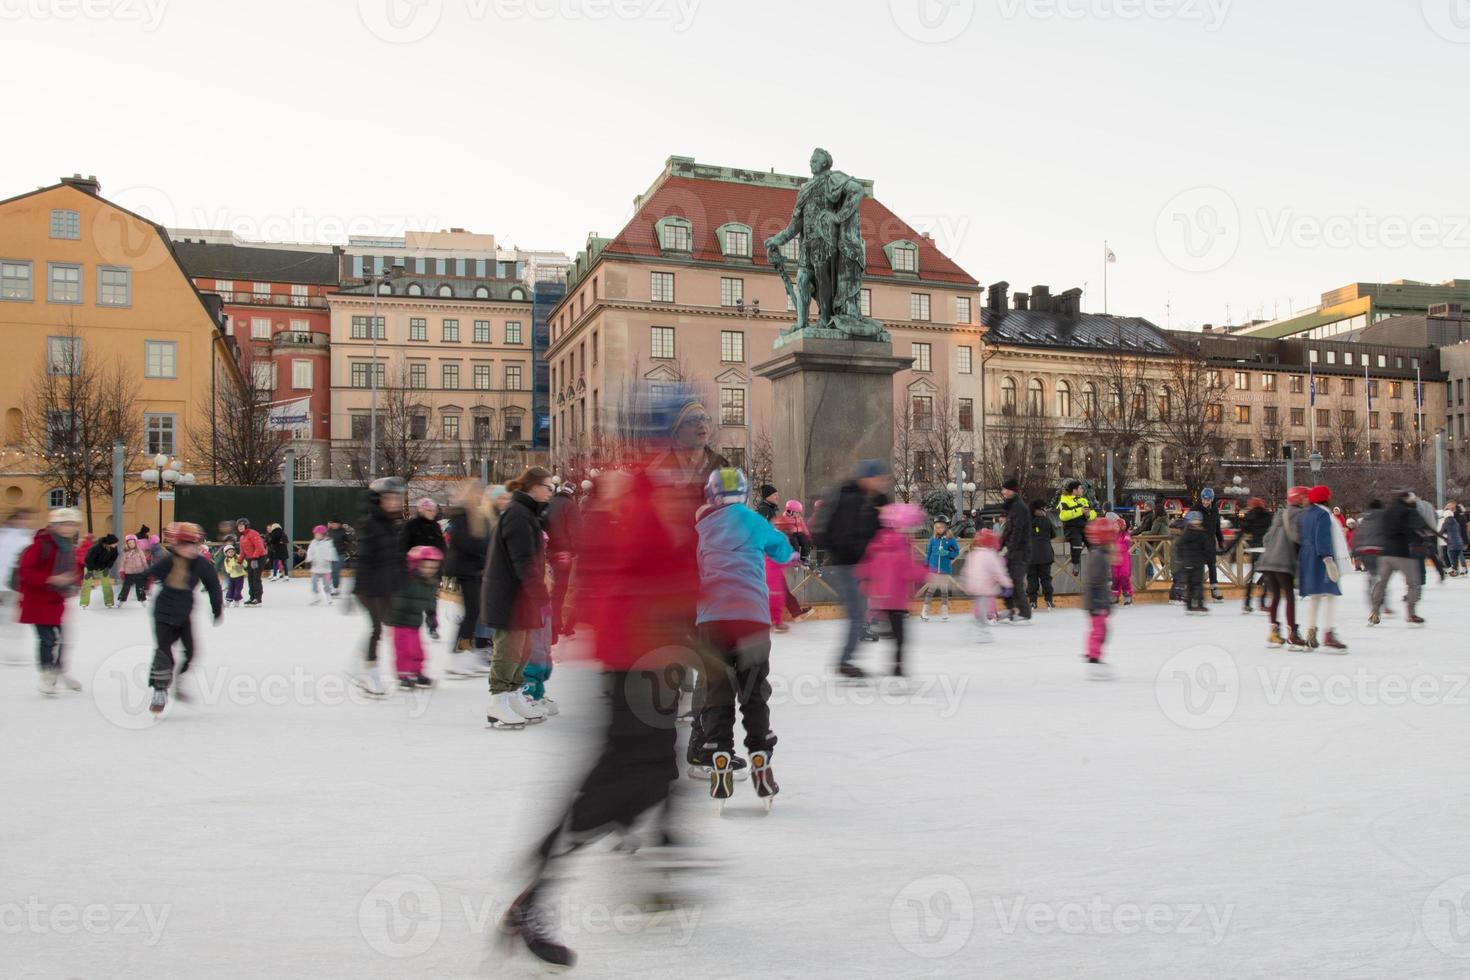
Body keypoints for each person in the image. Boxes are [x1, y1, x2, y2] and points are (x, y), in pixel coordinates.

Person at [688, 467, 793, 798]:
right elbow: (782, 550)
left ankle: (719, 752)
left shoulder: (701, 527)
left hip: (712, 619)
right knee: (753, 691)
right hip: (751, 617)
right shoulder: (753, 521)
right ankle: (760, 756)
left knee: (718, 690)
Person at [482, 466, 553, 728]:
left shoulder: (526, 513)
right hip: (510, 594)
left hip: (520, 595)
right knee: (510, 648)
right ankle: (498, 699)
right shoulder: (517, 514)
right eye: (547, 486)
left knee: (523, 649)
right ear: (532, 486)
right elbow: (523, 561)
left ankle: (513, 695)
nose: (549, 491)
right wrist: (539, 592)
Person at [816, 459, 889, 678]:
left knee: (859, 614)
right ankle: (845, 661)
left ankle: (846, 660)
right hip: (847, 564)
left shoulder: (861, 499)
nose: (881, 482)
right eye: (878, 478)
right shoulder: (851, 499)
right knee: (857, 615)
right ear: (867, 478)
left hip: (854, 563)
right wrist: (854, 552)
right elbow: (847, 533)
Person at [145, 522, 223, 714]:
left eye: (193, 545)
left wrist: (217, 608)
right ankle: (159, 690)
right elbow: (148, 574)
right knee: (164, 654)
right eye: (184, 545)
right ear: (176, 545)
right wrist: (137, 582)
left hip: (183, 614)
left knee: (191, 653)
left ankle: (176, 682)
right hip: (163, 614)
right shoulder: (168, 561)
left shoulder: (201, 563)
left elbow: (213, 584)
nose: (190, 549)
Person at [856, 502, 929, 677]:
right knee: (901, 639)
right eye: (911, 527)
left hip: (881, 599)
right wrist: (927, 573)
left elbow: (867, 567)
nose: (913, 531)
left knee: (895, 636)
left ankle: (894, 663)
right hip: (896, 600)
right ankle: (898, 669)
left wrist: (866, 584)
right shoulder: (899, 546)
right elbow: (908, 569)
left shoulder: (880, 542)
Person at [18, 508, 83, 694]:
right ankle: (46, 674)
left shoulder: (67, 546)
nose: (69, 528)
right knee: (47, 639)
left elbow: (74, 570)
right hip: (38, 600)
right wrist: (51, 579)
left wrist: (74, 582)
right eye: (65, 524)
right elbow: (26, 572)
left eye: (73, 524)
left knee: (63, 639)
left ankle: (58, 671)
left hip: (56, 601)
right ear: (54, 525)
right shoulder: (41, 545)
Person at [353, 477, 407, 696]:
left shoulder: (391, 523)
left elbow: (394, 557)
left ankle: (364, 663)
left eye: (397, 498)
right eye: (389, 498)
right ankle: (370, 672)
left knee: (383, 627)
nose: (394, 503)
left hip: (385, 585)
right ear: (378, 499)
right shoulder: (371, 523)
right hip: (370, 587)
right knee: (377, 629)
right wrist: (361, 588)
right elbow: (365, 558)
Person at [443, 482, 491, 676]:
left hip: (471, 569)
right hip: (464, 570)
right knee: (472, 612)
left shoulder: (473, 516)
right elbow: (466, 544)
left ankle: (463, 652)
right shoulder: (462, 516)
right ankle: (459, 654)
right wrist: (485, 552)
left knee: (474, 612)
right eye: (478, 492)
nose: (481, 496)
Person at [1297, 485, 1349, 651]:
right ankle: (1328, 633)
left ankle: (1311, 632)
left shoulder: (1306, 514)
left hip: (1307, 557)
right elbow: (1323, 536)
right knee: (1329, 595)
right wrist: (1328, 559)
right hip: (1321, 559)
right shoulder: (1323, 514)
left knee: (1316, 597)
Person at [1258, 487, 1309, 649]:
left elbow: (1266, 539)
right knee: (1289, 597)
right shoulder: (1300, 515)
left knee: (1276, 596)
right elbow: (1298, 537)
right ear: (1300, 499)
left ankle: (1273, 631)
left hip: (1268, 562)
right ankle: (1293, 632)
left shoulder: (1279, 514)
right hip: (1283, 561)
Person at [1371, 489, 1429, 628]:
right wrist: (1421, 541)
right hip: (1402, 552)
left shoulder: (1387, 512)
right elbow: (1409, 530)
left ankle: (1374, 611)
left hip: (1385, 553)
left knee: (1381, 583)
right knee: (1413, 582)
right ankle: (1411, 613)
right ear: (1407, 499)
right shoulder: (1405, 511)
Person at [387, 545, 442, 690]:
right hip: (399, 621)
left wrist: (432, 618)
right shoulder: (406, 580)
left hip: (414, 622)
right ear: (415, 565)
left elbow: (431, 602)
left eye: (433, 568)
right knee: (405, 650)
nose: (429, 571)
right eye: (426, 567)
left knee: (418, 650)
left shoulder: (430, 583)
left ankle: (417, 673)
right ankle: (404, 675)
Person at [543, 482, 582, 643]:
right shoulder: (570, 506)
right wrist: (576, 549)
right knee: (560, 591)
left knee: (552, 590)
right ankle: (554, 626)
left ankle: (552, 624)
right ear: (571, 493)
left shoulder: (549, 504)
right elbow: (576, 530)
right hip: (563, 553)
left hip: (549, 552)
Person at [402, 498, 447, 640]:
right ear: (421, 510)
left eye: (433, 510)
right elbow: (403, 546)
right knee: (414, 599)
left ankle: (432, 625)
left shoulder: (436, 526)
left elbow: (442, 547)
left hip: (432, 571)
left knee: (431, 600)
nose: (432, 513)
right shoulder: (411, 525)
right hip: (414, 571)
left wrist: (443, 565)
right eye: (429, 510)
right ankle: (410, 624)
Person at [960, 529, 1010, 644]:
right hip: (984, 589)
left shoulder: (973, 553)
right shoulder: (990, 555)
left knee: (981, 610)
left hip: (975, 588)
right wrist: (1007, 584)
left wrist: (967, 584)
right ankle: (981, 633)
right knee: (982, 612)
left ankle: (976, 630)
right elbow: (998, 572)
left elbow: (967, 571)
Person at [1081, 518, 1118, 671]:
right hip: (1096, 601)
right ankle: (1094, 658)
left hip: (1098, 600)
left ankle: (1093, 654)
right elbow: (1095, 582)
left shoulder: (1100, 553)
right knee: (1099, 630)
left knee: (1101, 630)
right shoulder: (1098, 555)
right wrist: (1100, 602)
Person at [998, 477, 1033, 623]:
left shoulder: (1019, 507)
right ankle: (1010, 608)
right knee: (1005, 579)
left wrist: (1010, 549)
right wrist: (999, 546)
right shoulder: (1013, 507)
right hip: (1014, 550)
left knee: (1016, 581)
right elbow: (1008, 530)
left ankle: (1024, 612)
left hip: (1020, 551)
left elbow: (1017, 531)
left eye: (1005, 489)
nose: (1002, 492)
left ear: (1012, 491)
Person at [1236, 497, 1273, 612]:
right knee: (1267, 575)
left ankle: (1247, 603)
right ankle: (1262, 601)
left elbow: (1242, 532)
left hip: (1254, 548)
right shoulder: (1268, 516)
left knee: (1252, 576)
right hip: (1265, 548)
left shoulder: (1249, 516)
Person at [919, 518, 960, 621]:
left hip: (944, 569)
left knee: (944, 592)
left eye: (941, 527)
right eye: (936, 527)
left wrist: (948, 554)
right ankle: (924, 611)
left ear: (946, 527)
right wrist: (926, 564)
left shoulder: (950, 539)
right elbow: (928, 553)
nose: (938, 529)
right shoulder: (932, 539)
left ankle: (944, 611)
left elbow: (956, 551)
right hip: (933, 569)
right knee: (930, 591)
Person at [1192, 487, 1226, 601]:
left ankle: (1214, 589)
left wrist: (1220, 541)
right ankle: (1196, 590)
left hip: (1210, 542)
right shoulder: (1195, 509)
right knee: (1198, 567)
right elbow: (1188, 525)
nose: (1205, 502)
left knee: (1212, 565)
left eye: (1208, 499)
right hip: (1198, 542)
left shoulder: (1215, 510)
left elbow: (1217, 528)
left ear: (1211, 499)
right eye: (1204, 499)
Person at [1175, 511, 1212, 614]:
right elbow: (1207, 548)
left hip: (1187, 562)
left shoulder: (1185, 534)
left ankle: (1189, 605)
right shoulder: (1202, 534)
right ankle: (1199, 604)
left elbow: (1178, 545)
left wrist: (1181, 558)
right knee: (1198, 584)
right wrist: (1208, 557)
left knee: (1190, 584)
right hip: (1197, 562)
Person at [1057, 480, 1097, 575]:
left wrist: (1088, 515)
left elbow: (1093, 513)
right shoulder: (1064, 499)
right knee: (1077, 544)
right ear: (1074, 490)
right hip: (1072, 528)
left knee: (1094, 544)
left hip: (1084, 527)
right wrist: (1080, 511)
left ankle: (1096, 564)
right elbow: (1063, 516)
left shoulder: (1083, 500)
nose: (1082, 489)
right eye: (1080, 488)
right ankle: (1076, 564)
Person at [1025, 500, 1057, 610]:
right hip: (1045, 554)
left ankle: (1032, 601)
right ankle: (1048, 600)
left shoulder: (1026, 522)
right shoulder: (1046, 520)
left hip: (1030, 555)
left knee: (1031, 578)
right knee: (1046, 578)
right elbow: (1054, 534)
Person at [79, 533, 118, 610]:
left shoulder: (114, 548)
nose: (116, 544)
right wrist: (90, 571)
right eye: (115, 543)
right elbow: (88, 559)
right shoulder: (96, 548)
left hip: (103, 567)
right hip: (90, 566)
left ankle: (109, 601)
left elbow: (113, 558)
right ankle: (84, 602)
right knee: (87, 583)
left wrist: (108, 567)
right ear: (109, 543)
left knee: (106, 583)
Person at [236, 518, 267, 605]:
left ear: (246, 526)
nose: (240, 527)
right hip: (250, 558)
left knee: (256, 578)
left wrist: (255, 558)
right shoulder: (242, 537)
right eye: (239, 526)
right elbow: (242, 552)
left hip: (259, 557)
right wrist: (239, 562)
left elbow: (259, 547)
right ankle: (252, 597)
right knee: (250, 578)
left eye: (242, 525)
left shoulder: (253, 533)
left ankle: (258, 598)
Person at [304, 525, 337, 605]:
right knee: (314, 583)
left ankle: (328, 596)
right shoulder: (313, 543)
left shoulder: (328, 543)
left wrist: (330, 558)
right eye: (315, 534)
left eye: (318, 534)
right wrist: (309, 558)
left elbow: (332, 552)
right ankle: (316, 596)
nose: (316, 535)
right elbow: (310, 552)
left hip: (326, 568)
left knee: (327, 584)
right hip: (315, 568)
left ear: (323, 534)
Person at [116, 534, 152, 605]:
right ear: (127, 544)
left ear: (135, 543)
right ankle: (121, 600)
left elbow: (144, 561)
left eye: (133, 543)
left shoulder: (139, 551)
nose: (131, 544)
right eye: (129, 543)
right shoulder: (126, 552)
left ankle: (143, 599)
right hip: (128, 573)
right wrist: (121, 571)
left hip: (139, 572)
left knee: (140, 587)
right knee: (126, 587)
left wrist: (147, 570)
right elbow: (122, 563)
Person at [1110, 515, 1134, 606]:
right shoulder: (1112, 536)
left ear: (1121, 527)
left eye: (1116, 526)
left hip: (1124, 560)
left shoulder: (1126, 535)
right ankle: (1115, 597)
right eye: (1114, 526)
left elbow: (1126, 546)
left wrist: (1115, 547)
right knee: (1115, 578)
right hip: (1115, 560)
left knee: (1124, 577)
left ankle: (1128, 596)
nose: (1114, 528)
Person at [326, 519, 351, 595]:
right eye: (333, 524)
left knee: (336, 571)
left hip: (340, 554)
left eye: (336, 524)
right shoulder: (329, 532)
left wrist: (346, 547)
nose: (334, 525)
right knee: (331, 572)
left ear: (339, 524)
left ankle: (336, 588)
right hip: (331, 554)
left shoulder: (343, 532)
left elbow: (350, 539)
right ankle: (332, 588)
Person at [1441, 508, 1464, 577]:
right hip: (1459, 542)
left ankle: (1455, 570)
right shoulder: (1456, 523)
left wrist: (1445, 538)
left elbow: (1441, 532)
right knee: (1457, 557)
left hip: (1452, 543)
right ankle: (1458, 569)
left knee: (1452, 557)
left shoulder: (1446, 523)